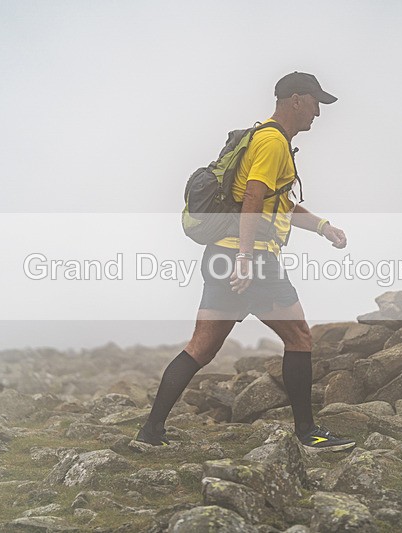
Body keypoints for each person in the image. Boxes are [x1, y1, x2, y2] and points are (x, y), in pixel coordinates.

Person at [131, 72, 356, 452]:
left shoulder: (264, 138)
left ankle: (150, 432)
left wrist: (323, 227)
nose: (318, 112)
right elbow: (253, 197)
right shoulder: (272, 142)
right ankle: (308, 433)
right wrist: (247, 258)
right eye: (315, 102)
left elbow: (277, 203)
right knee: (299, 337)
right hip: (250, 258)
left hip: (221, 255)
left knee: (201, 348)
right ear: (296, 100)